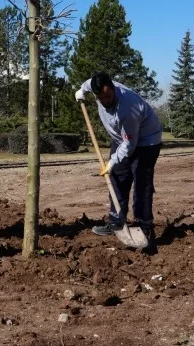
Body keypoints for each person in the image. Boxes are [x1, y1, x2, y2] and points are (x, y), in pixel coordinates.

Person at [75, 71, 162, 254]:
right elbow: (88, 84)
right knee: (117, 178)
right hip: (121, 140)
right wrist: (81, 91)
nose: (105, 100)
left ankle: (144, 224)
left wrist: (112, 161)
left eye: (108, 96)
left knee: (141, 182)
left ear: (113, 88)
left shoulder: (127, 109)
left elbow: (130, 144)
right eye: (101, 97)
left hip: (146, 140)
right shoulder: (96, 86)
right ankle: (116, 221)